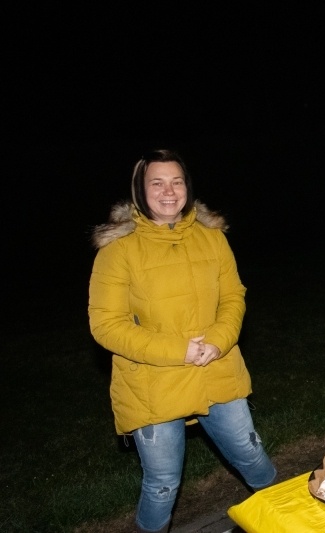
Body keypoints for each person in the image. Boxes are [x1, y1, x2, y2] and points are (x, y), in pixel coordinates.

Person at [88, 149, 276, 533]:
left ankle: (287, 520)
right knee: (162, 483)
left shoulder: (212, 237)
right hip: (153, 383)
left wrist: (218, 341)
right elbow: (106, 324)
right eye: (157, 183)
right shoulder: (118, 249)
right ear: (139, 191)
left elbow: (233, 296)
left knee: (251, 454)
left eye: (177, 182)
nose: (169, 191)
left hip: (216, 369)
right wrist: (179, 351)